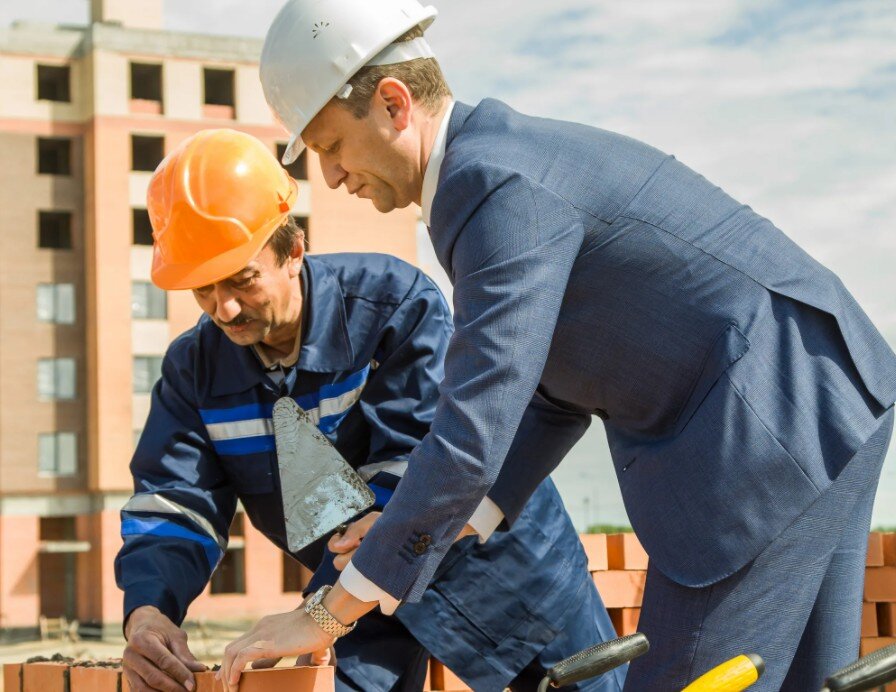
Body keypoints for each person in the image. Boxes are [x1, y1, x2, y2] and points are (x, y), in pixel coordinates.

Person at [218, 1, 896, 690]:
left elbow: (472, 431)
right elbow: (549, 392)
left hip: (765, 425)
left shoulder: (492, 186)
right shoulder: (498, 169)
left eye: (332, 146)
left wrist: (329, 613)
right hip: (819, 390)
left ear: (393, 103)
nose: (332, 176)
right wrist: (434, 522)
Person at [114, 128, 623, 692]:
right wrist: (149, 611)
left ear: (293, 251)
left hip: (501, 572)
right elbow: (175, 503)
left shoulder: (392, 308)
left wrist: (321, 610)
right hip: (357, 599)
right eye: (204, 290)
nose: (225, 309)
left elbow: (420, 477)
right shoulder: (194, 371)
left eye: (243, 280)